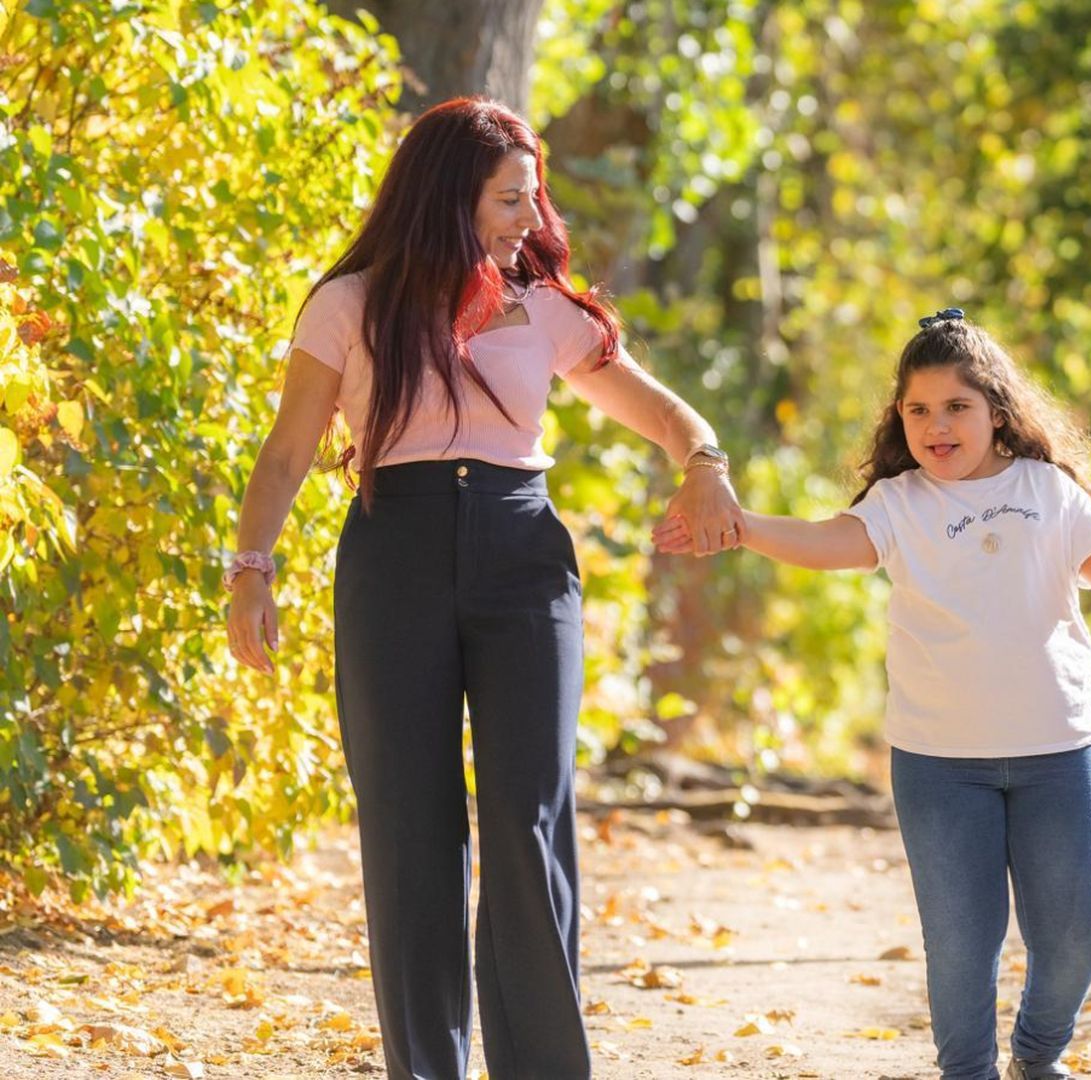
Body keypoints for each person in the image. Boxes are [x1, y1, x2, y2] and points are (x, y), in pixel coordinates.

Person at [223, 97, 744, 1080]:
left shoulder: (544, 308)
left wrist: (705, 465)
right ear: (449, 197)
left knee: (527, 817)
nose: (529, 218)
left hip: (523, 559)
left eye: (532, 199)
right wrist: (251, 570)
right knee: (408, 822)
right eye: (510, 199)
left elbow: (667, 415)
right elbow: (287, 452)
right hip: (394, 555)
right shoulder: (348, 305)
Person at [654, 309, 1091, 1080]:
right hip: (939, 763)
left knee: (1074, 936)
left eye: (957, 406)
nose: (937, 426)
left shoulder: (1049, 491)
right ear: (900, 417)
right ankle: (968, 1071)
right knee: (961, 944)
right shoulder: (899, 503)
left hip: (1059, 750)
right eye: (918, 410)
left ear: (998, 411)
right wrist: (739, 525)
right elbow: (825, 542)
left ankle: (1038, 1052)